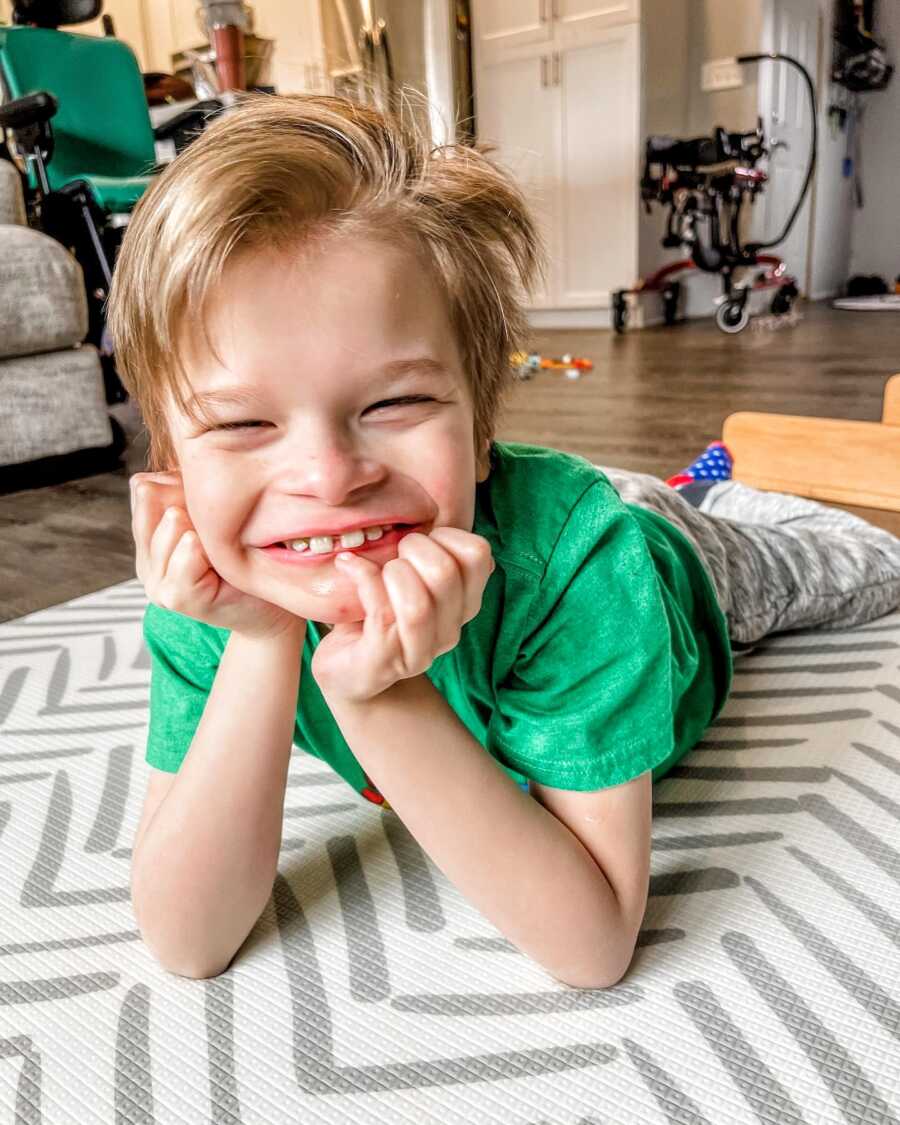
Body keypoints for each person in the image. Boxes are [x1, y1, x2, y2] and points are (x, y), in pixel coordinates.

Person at [108, 93, 900, 988]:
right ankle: (691, 482)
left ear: (481, 421)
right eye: (245, 422)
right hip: (515, 506)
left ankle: (710, 496)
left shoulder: (583, 568)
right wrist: (261, 637)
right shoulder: (211, 588)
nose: (328, 478)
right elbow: (188, 940)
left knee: (866, 561)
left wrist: (381, 695)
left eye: (393, 403)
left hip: (672, 567)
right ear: (173, 463)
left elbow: (593, 945)